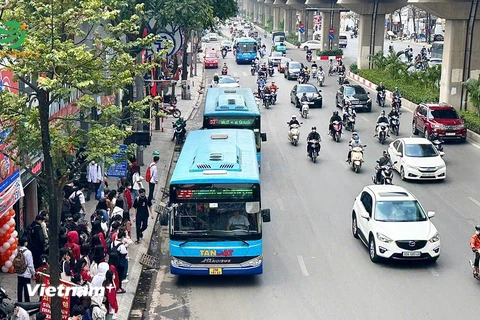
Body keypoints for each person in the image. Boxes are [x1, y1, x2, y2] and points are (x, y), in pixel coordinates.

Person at [17, 237, 35, 302]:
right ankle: (27, 303)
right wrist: (33, 273)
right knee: (27, 289)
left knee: (19, 289)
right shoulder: (28, 252)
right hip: (26, 273)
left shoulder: (17, 251)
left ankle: (19, 302)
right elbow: (30, 264)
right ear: (25, 243)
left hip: (19, 273)